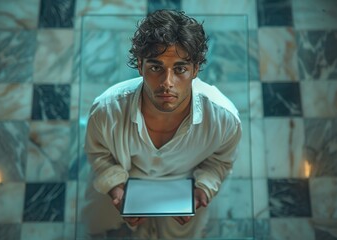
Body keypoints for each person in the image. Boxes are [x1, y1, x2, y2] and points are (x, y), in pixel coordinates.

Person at [83, 9, 242, 239]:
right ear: (140, 66)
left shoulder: (224, 119)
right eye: (156, 67)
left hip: (183, 192)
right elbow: (98, 154)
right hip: (121, 189)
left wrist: (203, 188)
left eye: (180, 69)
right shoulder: (106, 111)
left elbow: (220, 161)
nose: (167, 83)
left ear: (196, 69)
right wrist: (115, 187)